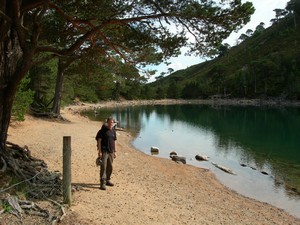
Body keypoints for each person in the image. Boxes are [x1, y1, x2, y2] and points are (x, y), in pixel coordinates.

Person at [95, 117, 117, 190]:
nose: (111, 124)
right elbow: (99, 140)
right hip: (104, 151)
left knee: (110, 166)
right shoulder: (103, 130)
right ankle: (102, 183)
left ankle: (108, 180)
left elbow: (114, 141)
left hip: (111, 151)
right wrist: (100, 151)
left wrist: (115, 151)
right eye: (110, 122)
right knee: (103, 167)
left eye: (112, 122)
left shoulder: (113, 130)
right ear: (107, 122)